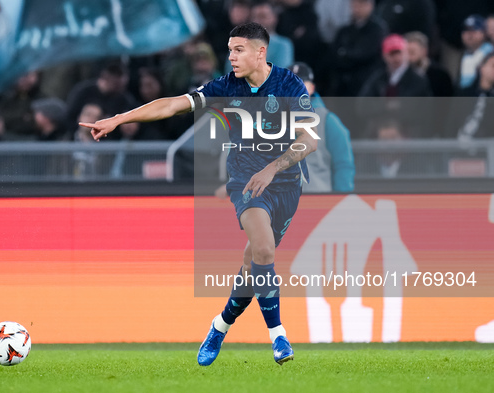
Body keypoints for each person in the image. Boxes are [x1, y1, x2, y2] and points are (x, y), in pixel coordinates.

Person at [80, 22, 318, 366]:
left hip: (286, 184)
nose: (231, 56)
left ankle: (219, 325)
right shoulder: (225, 87)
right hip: (245, 181)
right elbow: (173, 105)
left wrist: (273, 168)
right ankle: (278, 336)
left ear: (260, 52)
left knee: (254, 264)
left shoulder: (289, 85)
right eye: (229, 49)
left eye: (238, 50)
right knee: (264, 248)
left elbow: (309, 140)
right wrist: (119, 118)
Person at [291, 62, 355, 193]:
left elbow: (343, 164)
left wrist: (340, 201)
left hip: (318, 202)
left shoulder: (327, 120)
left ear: (312, 88)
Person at [458, 15, 494, 89]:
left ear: (484, 33)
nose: (469, 34)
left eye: (474, 30)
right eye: (466, 30)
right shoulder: (465, 54)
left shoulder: (490, 53)